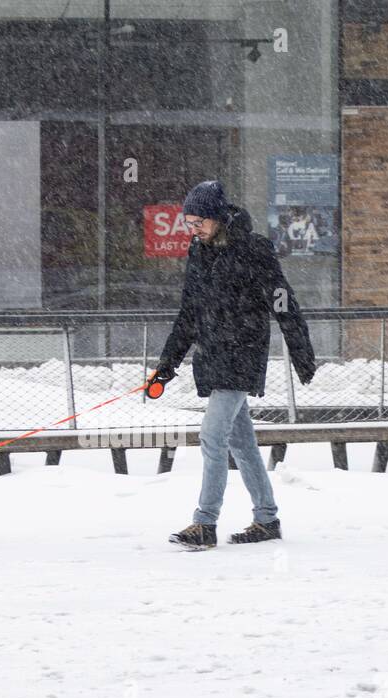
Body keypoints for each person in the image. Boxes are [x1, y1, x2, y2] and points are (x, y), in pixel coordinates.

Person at [148, 180, 316, 550]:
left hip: (242, 355)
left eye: (199, 223)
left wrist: (300, 350)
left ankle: (204, 523)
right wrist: (168, 361)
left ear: (218, 218)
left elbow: (282, 301)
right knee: (242, 443)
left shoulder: (254, 250)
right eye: (189, 224)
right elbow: (189, 312)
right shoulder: (199, 251)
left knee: (212, 437)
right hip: (212, 356)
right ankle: (267, 519)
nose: (194, 230)